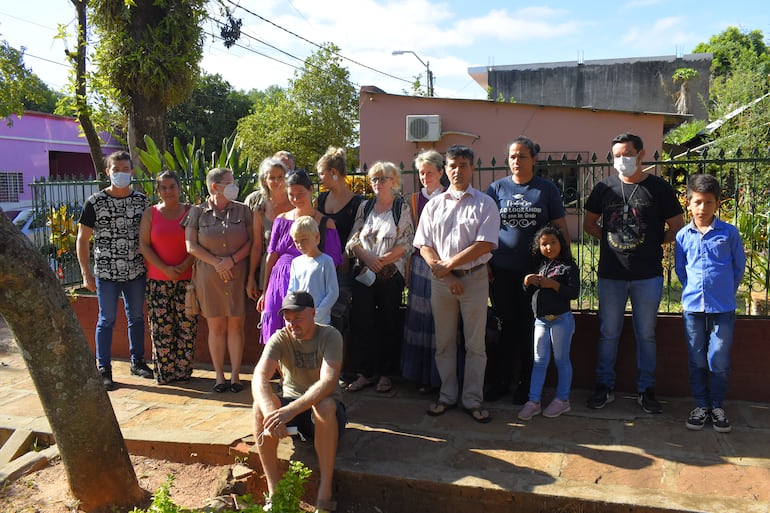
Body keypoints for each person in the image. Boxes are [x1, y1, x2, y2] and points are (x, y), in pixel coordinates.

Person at [584, 132, 684, 413]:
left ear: (641, 154)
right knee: (608, 333)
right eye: (616, 155)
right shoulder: (604, 187)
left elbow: (677, 226)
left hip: (647, 275)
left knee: (646, 335)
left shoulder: (659, 188)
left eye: (627, 154)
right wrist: (609, 239)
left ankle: (646, 389)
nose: (621, 159)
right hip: (611, 275)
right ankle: (604, 387)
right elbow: (589, 224)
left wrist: (655, 241)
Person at [413, 145, 500, 424]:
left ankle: (472, 399)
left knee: (475, 345)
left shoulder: (484, 203)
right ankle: (447, 396)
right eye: (452, 165)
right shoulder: (434, 205)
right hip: (442, 283)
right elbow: (424, 244)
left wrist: (449, 266)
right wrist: (447, 275)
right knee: (445, 342)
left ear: (472, 168)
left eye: (463, 164)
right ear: (446, 168)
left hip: (474, 280)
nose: (457, 170)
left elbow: (485, 243)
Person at [485, 136, 569, 405]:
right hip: (501, 271)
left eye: (522, 156)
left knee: (529, 329)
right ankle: (500, 381)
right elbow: (485, 230)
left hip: (536, 274)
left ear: (534, 159)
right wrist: (486, 262)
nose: (516, 161)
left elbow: (559, 228)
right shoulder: (496, 188)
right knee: (505, 326)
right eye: (512, 156)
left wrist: (563, 264)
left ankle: (526, 384)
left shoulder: (546, 190)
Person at [252, 291, 345, 513]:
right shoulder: (280, 337)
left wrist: (288, 412)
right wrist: (271, 414)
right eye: (288, 318)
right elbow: (258, 378)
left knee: (324, 404)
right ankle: (274, 492)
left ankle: (325, 492)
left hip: (327, 413)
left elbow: (328, 383)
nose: (292, 324)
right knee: (258, 407)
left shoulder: (330, 336)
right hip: (293, 409)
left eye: (298, 318)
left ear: (313, 313)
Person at [76, 150, 153, 390]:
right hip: (106, 272)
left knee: (137, 316)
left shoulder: (142, 202)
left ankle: (138, 361)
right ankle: (104, 367)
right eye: (115, 169)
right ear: (107, 172)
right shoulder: (95, 202)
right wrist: (85, 272)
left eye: (125, 169)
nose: (120, 173)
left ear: (132, 171)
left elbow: (152, 236)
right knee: (106, 318)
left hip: (136, 271)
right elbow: (82, 238)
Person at [675, 173, 745, 433]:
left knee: (718, 359)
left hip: (723, 309)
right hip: (693, 309)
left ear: (717, 204)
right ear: (689, 203)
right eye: (698, 202)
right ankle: (701, 405)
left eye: (708, 202)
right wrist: (694, 291)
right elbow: (681, 271)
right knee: (696, 360)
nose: (702, 208)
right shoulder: (683, 236)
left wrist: (724, 291)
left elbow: (738, 267)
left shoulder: (729, 234)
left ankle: (717, 406)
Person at [345, 162, 414, 394]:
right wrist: (366, 257)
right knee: (362, 321)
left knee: (388, 322)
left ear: (393, 180)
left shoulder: (401, 207)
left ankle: (385, 374)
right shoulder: (365, 207)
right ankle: (365, 373)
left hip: (389, 274)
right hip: (364, 273)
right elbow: (352, 240)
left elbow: (406, 243)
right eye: (374, 179)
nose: (377, 183)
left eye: (382, 178)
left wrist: (380, 262)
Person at [183, 167, 253, 393]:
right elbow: (191, 245)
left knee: (236, 325)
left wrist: (231, 261)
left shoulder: (243, 211)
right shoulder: (196, 212)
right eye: (229, 182)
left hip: (236, 273)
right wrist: (217, 262)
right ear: (215, 186)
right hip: (209, 276)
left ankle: (235, 377)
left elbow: (252, 242)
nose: (234, 186)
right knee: (216, 326)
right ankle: (219, 377)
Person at [257, 170, 343, 344]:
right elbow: (271, 256)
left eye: (300, 194)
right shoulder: (280, 220)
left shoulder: (326, 224)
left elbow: (332, 262)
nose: (296, 199)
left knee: (304, 336)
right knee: (277, 334)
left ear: (311, 190)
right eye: (291, 195)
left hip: (309, 282)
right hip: (279, 280)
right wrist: (265, 292)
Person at [138, 171, 197, 384]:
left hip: (187, 282)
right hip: (157, 282)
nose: (168, 191)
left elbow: (197, 244)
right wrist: (164, 268)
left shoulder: (191, 212)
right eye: (163, 187)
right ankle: (165, 373)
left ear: (179, 188)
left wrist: (183, 267)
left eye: (172, 186)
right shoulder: (150, 213)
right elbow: (144, 245)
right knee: (161, 329)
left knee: (186, 328)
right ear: (158, 190)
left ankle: (183, 372)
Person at [518, 225, 579, 420]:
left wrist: (554, 285)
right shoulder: (539, 265)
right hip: (541, 321)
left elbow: (574, 293)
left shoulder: (568, 267)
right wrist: (527, 281)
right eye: (544, 244)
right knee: (539, 361)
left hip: (562, 320)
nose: (549, 247)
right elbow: (527, 290)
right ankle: (533, 401)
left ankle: (563, 399)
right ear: (539, 246)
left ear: (561, 243)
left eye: (553, 242)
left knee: (561, 360)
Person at [401, 149, 446, 394]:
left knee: (441, 319)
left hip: (444, 263)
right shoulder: (414, 200)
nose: (426, 177)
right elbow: (409, 237)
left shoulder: (450, 197)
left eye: (430, 172)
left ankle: (440, 378)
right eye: (422, 173)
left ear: (441, 172)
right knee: (420, 319)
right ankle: (420, 376)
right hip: (420, 264)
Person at [245, 157, 292, 300]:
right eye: (272, 178)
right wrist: (251, 277)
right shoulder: (261, 210)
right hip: (269, 270)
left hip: (295, 267)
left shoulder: (296, 203)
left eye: (280, 177)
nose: (277, 181)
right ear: (265, 180)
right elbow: (257, 247)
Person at [288, 216, 339, 325]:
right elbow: (292, 291)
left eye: (304, 240)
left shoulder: (326, 261)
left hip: (321, 322)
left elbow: (333, 292)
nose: (300, 245)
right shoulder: (296, 262)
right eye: (296, 241)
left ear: (316, 237)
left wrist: (317, 314)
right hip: (300, 321)